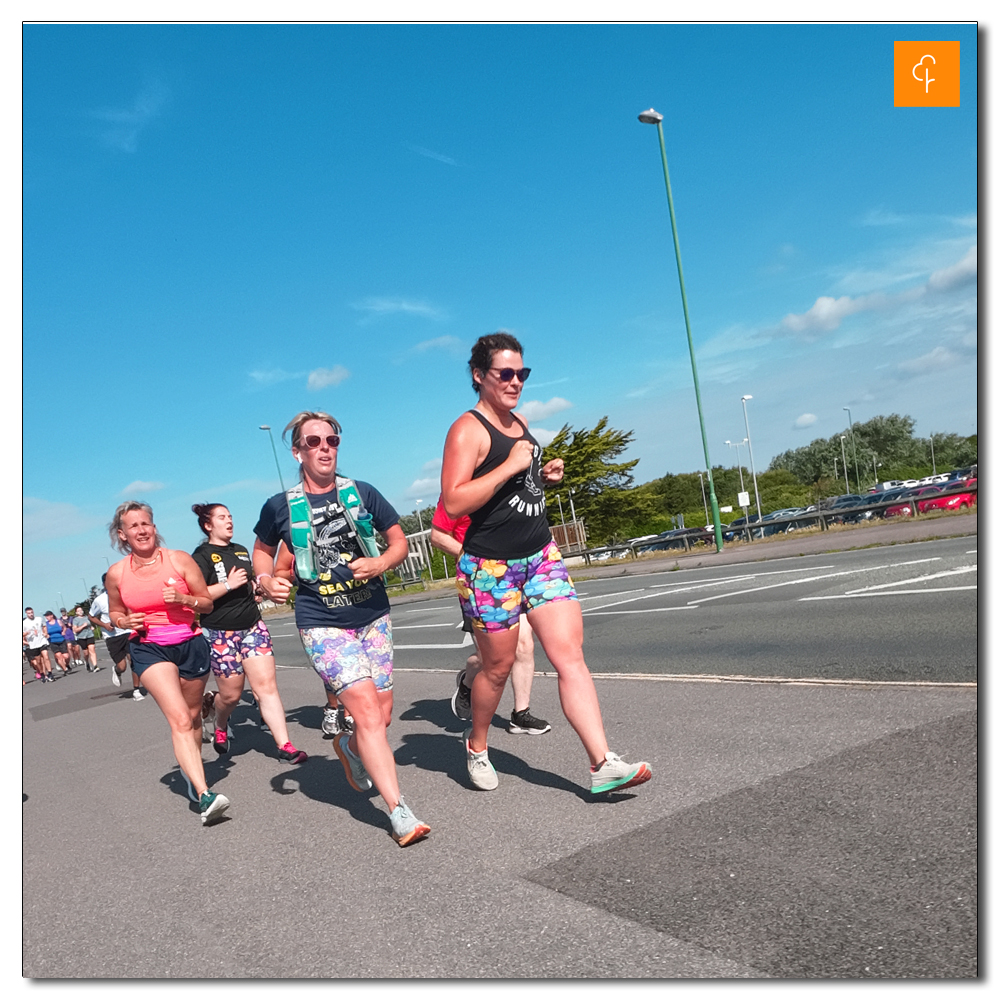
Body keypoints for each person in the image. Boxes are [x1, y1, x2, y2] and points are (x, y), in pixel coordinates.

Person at [440, 332, 651, 794]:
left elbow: (517, 486)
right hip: (490, 568)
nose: (516, 381)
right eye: (506, 374)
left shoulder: (521, 423)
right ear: (479, 376)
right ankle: (477, 744)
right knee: (496, 670)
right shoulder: (467, 430)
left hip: (540, 554)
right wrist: (514, 466)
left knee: (569, 656)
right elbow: (454, 503)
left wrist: (542, 474)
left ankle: (602, 763)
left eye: (522, 373)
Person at [252, 410, 429, 847]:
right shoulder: (279, 506)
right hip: (322, 621)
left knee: (381, 715)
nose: (324, 447)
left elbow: (398, 539)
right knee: (367, 713)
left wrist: (383, 562)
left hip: (372, 615)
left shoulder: (363, 492)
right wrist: (265, 579)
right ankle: (399, 811)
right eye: (313, 442)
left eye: (331, 439)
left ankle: (350, 749)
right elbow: (261, 552)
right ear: (297, 451)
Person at [104, 500, 230, 825]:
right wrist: (124, 622)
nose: (141, 530)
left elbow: (206, 604)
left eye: (146, 523)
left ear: (154, 528)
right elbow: (116, 612)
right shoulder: (117, 574)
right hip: (149, 648)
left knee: (191, 716)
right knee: (179, 720)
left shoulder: (179, 560)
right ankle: (204, 795)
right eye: (134, 526)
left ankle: (193, 772)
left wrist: (186, 599)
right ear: (123, 535)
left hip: (189, 643)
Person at [190, 502, 307, 765]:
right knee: (231, 695)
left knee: (266, 688)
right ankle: (220, 721)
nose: (229, 521)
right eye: (222, 517)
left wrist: (263, 590)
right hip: (220, 632)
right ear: (208, 525)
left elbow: (250, 586)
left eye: (230, 516)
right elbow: (197, 597)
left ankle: (284, 745)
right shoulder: (201, 556)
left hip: (253, 626)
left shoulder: (241, 551)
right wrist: (227, 585)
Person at [429, 493, 551, 735]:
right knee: (492, 657)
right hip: (480, 582)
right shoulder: (459, 491)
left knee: (524, 645)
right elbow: (437, 536)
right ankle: (467, 683)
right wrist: (475, 558)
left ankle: (520, 715)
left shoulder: (509, 486)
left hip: (515, 577)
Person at [90, 575, 145, 700]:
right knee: (122, 666)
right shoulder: (99, 600)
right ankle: (116, 670)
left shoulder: (124, 595)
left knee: (134, 660)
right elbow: (91, 616)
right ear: (104, 584)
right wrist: (104, 625)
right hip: (112, 636)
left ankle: (136, 690)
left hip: (128, 632)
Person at [22, 608, 54, 682]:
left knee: (46, 656)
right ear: (26, 614)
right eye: (29, 613)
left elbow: (44, 626)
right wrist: (26, 633)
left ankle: (50, 673)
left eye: (32, 612)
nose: (31, 614)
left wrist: (45, 633)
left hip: (42, 641)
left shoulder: (39, 619)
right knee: (38, 661)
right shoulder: (24, 623)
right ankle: (42, 673)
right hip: (33, 643)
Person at [72, 606, 100, 672]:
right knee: (86, 653)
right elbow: (75, 630)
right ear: (76, 612)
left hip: (90, 635)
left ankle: (95, 666)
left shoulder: (86, 617)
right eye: (78, 611)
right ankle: (87, 662)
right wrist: (82, 626)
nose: (80, 612)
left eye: (81, 610)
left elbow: (90, 625)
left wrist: (91, 627)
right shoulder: (75, 620)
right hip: (81, 637)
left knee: (92, 649)